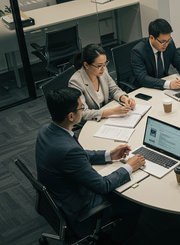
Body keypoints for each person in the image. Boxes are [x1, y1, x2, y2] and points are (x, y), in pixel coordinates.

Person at [35, 87, 146, 241]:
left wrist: (109, 155)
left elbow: (79, 155)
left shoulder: (46, 130)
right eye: (81, 107)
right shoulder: (68, 150)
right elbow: (102, 185)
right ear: (71, 116)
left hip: (58, 197)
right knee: (133, 203)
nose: (83, 110)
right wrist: (129, 167)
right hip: (79, 208)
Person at [69, 44, 136, 122]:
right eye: (99, 66)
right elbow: (82, 113)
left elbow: (114, 89)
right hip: (91, 121)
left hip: (106, 117)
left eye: (105, 64)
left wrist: (124, 98)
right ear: (86, 65)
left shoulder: (103, 71)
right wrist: (112, 111)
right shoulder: (76, 82)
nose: (103, 69)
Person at [131, 18, 180, 90]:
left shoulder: (169, 44)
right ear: (151, 38)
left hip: (164, 85)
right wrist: (168, 84)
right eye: (163, 42)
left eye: (168, 40)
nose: (166, 44)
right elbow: (142, 78)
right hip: (147, 88)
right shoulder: (138, 51)